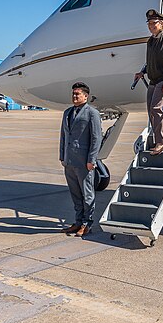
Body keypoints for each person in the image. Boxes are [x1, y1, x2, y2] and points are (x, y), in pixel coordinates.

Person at [134, 9, 163, 155]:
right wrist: (143, 72)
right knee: (151, 110)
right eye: (149, 24)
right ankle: (162, 139)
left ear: (162, 24)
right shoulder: (151, 41)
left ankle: (160, 142)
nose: (151, 26)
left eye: (154, 23)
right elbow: (151, 62)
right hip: (153, 80)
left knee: (156, 108)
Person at [59, 82, 102, 238]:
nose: (74, 96)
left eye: (77, 94)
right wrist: (62, 156)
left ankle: (87, 223)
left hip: (84, 162)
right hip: (69, 161)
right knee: (75, 194)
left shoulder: (92, 113)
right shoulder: (68, 112)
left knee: (87, 194)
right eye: (73, 94)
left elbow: (96, 138)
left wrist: (92, 160)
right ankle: (78, 221)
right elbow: (64, 136)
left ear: (86, 96)